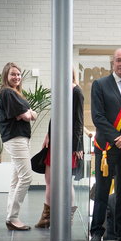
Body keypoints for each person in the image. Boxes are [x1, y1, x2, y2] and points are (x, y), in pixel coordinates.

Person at [88, 49, 121, 241]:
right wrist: (118, 138)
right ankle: (96, 232)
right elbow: (98, 117)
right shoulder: (100, 85)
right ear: (112, 63)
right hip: (107, 147)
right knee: (101, 191)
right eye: (118, 60)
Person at [35, 71, 84, 229]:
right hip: (55, 141)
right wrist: (48, 135)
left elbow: (79, 120)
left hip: (68, 143)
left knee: (66, 181)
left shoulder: (76, 91)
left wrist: (77, 146)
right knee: (49, 180)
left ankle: (67, 217)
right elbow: (54, 116)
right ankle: (46, 218)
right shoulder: (59, 90)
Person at [0, 62, 37, 231]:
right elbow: (27, 115)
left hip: (17, 138)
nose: (16, 77)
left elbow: (30, 114)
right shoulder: (7, 92)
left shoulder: (14, 93)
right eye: (13, 74)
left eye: (19, 74)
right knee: (26, 177)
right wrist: (28, 113)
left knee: (15, 180)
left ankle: (10, 217)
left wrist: (29, 113)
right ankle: (13, 217)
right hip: (16, 138)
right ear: (6, 75)